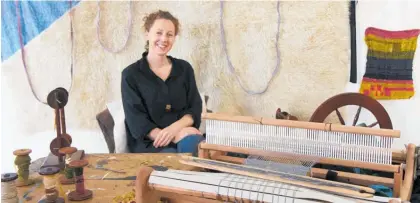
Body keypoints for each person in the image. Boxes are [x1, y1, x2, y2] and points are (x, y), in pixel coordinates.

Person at [121, 10, 204, 155]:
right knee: (173, 157)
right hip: (150, 143)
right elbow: (137, 121)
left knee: (194, 145)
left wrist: (175, 129)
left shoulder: (184, 69)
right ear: (147, 33)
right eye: (159, 33)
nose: (164, 39)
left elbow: (194, 108)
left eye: (169, 34)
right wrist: (173, 137)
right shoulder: (131, 75)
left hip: (185, 133)